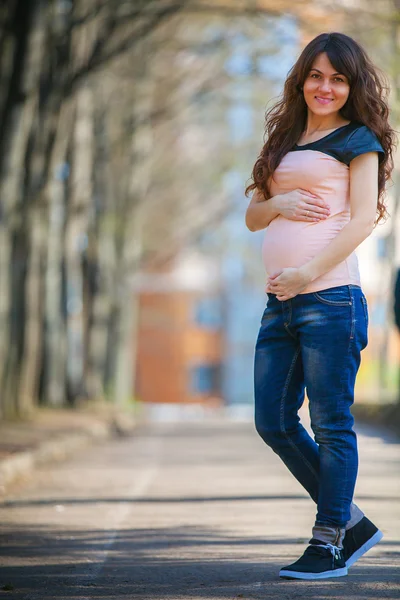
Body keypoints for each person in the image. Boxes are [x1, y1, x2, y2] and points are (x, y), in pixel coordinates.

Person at [245, 32, 396, 580]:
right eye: (316, 75)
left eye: (338, 78)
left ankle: (330, 539)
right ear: (301, 79)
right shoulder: (284, 139)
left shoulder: (359, 140)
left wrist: (308, 272)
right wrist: (277, 201)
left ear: (352, 86)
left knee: (332, 425)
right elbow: (253, 217)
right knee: (273, 422)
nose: (325, 87)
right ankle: (350, 522)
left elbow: (361, 219)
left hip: (331, 298)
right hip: (279, 303)